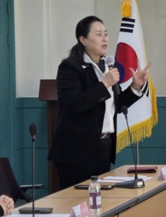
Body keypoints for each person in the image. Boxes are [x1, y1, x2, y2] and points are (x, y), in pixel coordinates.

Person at [48, 15, 150, 189]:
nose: (104, 39)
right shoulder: (70, 67)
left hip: (103, 147)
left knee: (101, 200)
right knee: (76, 200)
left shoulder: (107, 66)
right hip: (76, 151)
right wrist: (104, 84)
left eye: (106, 34)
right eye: (98, 34)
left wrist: (135, 87)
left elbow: (116, 105)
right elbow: (75, 104)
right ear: (83, 40)